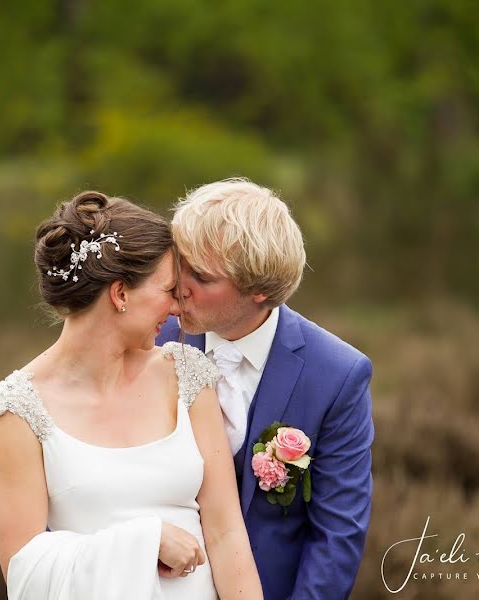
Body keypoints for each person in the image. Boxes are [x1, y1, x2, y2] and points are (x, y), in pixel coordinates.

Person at [0, 191, 263, 599]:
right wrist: (144, 540)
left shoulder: (187, 375)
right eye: (168, 290)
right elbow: (25, 574)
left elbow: (226, 533)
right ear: (120, 294)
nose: (176, 308)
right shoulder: (17, 410)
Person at [157, 178, 374, 600]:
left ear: (259, 291)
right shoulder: (149, 339)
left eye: (200, 276)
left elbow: (336, 536)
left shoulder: (337, 375)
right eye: (179, 262)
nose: (178, 285)